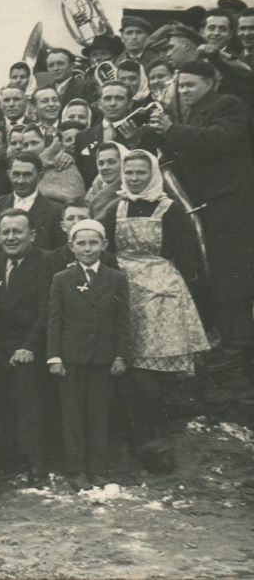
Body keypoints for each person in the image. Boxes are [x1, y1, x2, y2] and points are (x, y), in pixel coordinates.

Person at [99, 150, 208, 463]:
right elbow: (100, 247)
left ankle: (155, 441)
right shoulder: (114, 208)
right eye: (129, 173)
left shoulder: (170, 208)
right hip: (122, 289)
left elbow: (187, 256)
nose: (134, 179)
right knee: (127, 367)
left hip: (160, 294)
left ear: (152, 175)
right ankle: (132, 439)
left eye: (140, 173)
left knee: (150, 370)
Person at [145, 59, 254, 354]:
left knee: (233, 277)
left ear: (211, 82)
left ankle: (240, 347)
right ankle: (228, 345)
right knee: (215, 274)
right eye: (181, 86)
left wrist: (172, 129)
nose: (184, 91)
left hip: (230, 204)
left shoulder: (227, 104)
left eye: (190, 85)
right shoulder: (191, 113)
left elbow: (218, 140)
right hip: (205, 203)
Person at [47, 220, 130, 491]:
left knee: (99, 414)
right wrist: (54, 357)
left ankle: (98, 468)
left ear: (104, 245)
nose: (87, 248)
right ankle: (76, 469)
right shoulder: (62, 279)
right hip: (71, 358)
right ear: (71, 247)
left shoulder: (116, 279)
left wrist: (120, 355)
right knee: (72, 416)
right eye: (81, 243)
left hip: (103, 358)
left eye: (93, 243)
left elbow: (123, 321)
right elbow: (55, 321)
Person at [0, 209, 52, 483]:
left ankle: (34, 458)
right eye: (5, 232)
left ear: (32, 235)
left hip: (33, 343)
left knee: (26, 381)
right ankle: (3, 455)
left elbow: (46, 313)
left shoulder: (46, 262)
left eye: (17, 232)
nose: (11, 238)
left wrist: (28, 347)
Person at [0, 152, 64, 257]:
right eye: (16, 174)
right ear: (8, 174)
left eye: (27, 175)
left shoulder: (56, 212)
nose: (20, 181)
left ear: (40, 176)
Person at [73, 81, 155, 187]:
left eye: (119, 98)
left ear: (130, 104)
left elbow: (151, 168)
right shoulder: (83, 137)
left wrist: (134, 143)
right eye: (107, 98)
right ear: (99, 104)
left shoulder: (144, 133)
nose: (113, 103)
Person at [45, 198, 119, 274]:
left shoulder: (108, 260)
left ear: (92, 222)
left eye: (82, 218)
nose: (76, 222)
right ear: (63, 226)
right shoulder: (51, 260)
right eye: (70, 218)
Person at [20, 124, 85, 204]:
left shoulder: (64, 164)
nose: (29, 149)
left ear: (46, 144)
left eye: (34, 143)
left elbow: (77, 200)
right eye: (25, 145)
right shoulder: (19, 170)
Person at [85, 142, 127, 218]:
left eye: (111, 162)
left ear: (124, 163)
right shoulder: (95, 190)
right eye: (101, 163)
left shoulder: (129, 192)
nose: (105, 167)